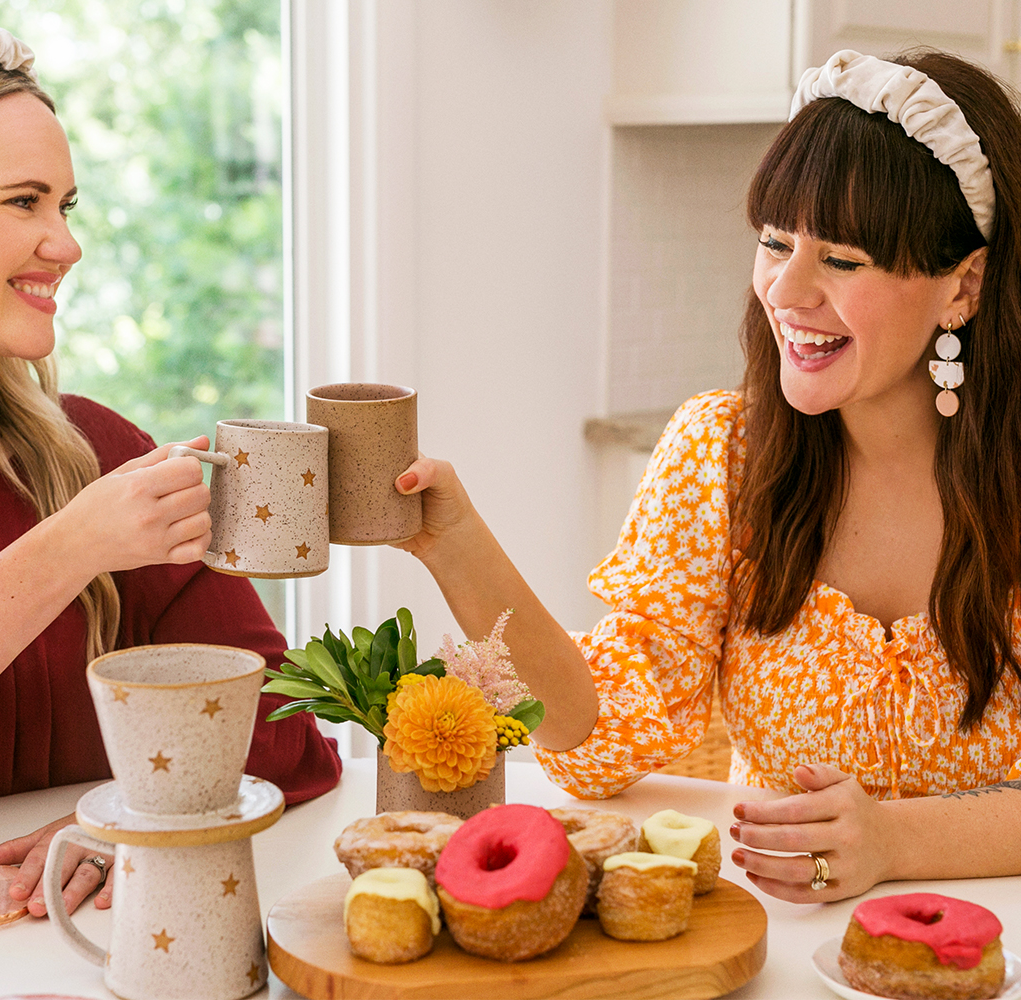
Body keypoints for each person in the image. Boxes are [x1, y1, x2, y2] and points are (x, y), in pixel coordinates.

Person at [394, 48, 1021, 904]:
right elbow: (602, 737)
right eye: (774, 241)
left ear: (964, 287)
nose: (786, 289)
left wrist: (894, 840)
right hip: (782, 945)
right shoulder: (722, 454)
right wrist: (454, 544)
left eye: (842, 258)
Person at [0, 20, 340, 916]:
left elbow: (287, 738)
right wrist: (72, 546)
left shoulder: (99, 455)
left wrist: (127, 817)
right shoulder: (90, 507)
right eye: (24, 202)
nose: (66, 243)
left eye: (67, 206)